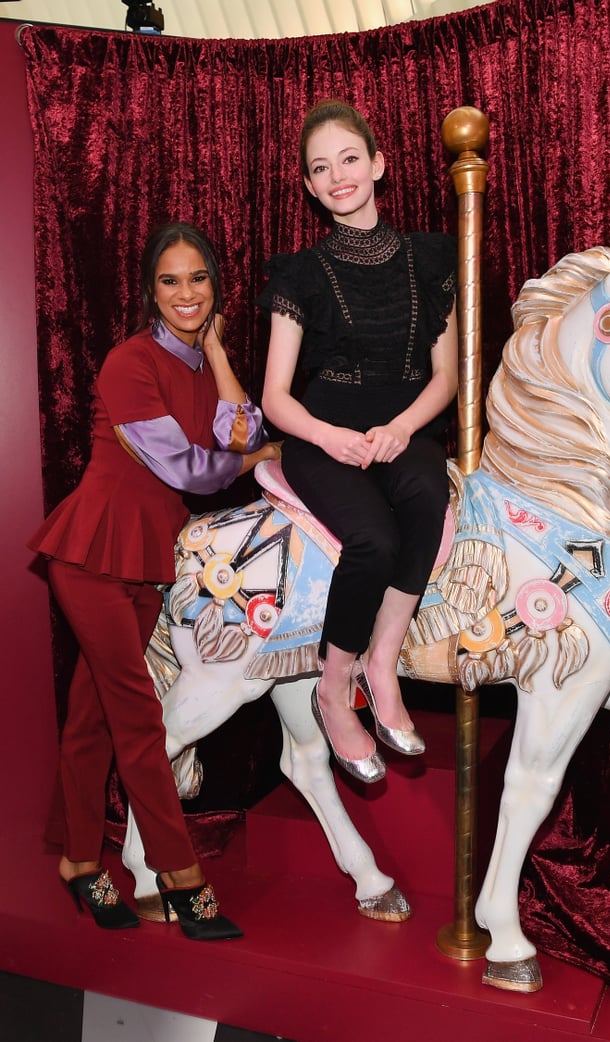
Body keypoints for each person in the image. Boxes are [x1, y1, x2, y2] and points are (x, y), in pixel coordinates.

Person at [29, 221, 277, 939]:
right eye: (170, 281)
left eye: (197, 278)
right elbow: (191, 470)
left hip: (147, 556)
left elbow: (240, 425)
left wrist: (221, 352)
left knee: (93, 718)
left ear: (215, 286)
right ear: (150, 290)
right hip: (91, 552)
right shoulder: (128, 362)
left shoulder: (202, 364)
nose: (186, 293)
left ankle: (78, 860)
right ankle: (179, 871)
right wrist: (253, 456)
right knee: (138, 714)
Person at [259, 100, 458, 785]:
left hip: (404, 430)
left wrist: (403, 428)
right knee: (372, 538)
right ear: (311, 189)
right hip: (321, 436)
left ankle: (384, 661)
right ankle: (333, 684)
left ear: (377, 164)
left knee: (430, 493)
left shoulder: (432, 257)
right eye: (321, 168)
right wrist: (328, 436)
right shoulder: (299, 275)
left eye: (349, 158)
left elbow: (447, 376)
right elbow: (275, 398)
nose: (338, 175)